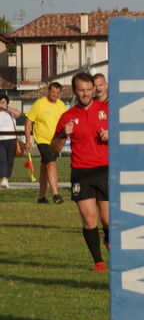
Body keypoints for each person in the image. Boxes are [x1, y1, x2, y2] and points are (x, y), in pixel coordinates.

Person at [51, 73, 110, 272]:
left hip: (105, 170)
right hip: (81, 172)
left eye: (88, 89)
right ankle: (98, 262)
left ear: (94, 89)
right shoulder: (67, 116)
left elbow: (126, 136)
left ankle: (109, 239)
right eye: (81, 90)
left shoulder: (107, 110)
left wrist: (113, 135)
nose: (85, 94)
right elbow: (54, 149)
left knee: (108, 220)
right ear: (75, 91)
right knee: (89, 219)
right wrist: (62, 134)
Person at [24, 82, 67, 204]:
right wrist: (27, 141)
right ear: (48, 91)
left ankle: (41, 198)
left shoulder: (61, 105)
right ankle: (56, 195)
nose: (55, 94)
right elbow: (28, 122)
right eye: (53, 92)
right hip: (42, 140)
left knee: (45, 167)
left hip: (55, 142)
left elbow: (66, 121)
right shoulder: (39, 104)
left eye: (57, 93)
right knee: (51, 164)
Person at [0, 94, 21, 190]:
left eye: (3, 102)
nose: (2, 104)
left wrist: (7, 108)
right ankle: (3, 178)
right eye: (0, 102)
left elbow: (18, 114)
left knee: (10, 160)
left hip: (11, 139)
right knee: (2, 159)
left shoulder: (10, 112)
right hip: (0, 140)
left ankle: (7, 178)